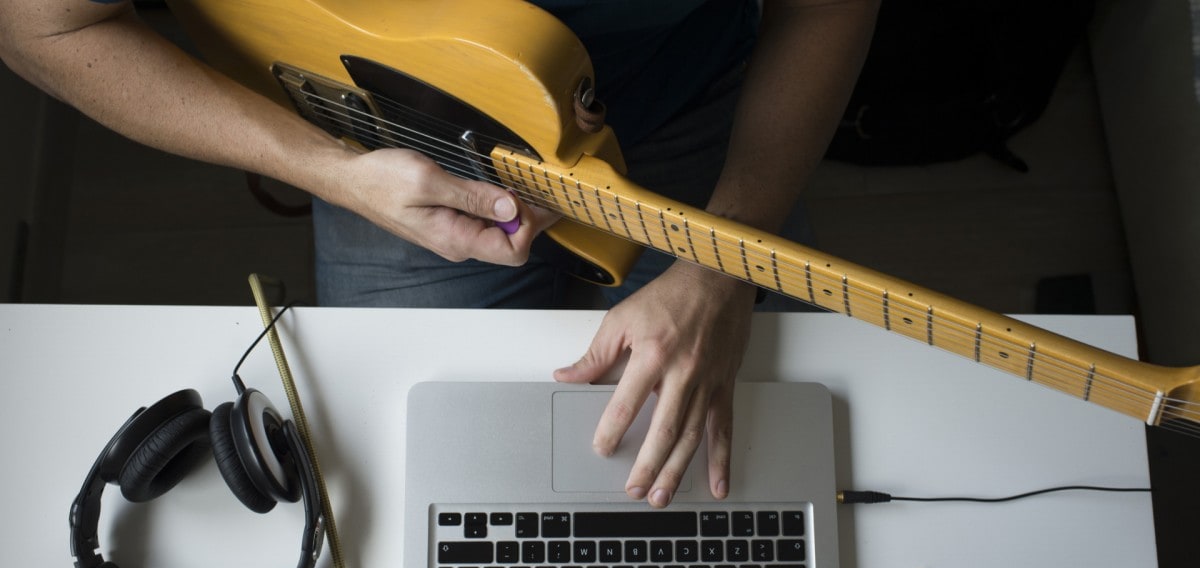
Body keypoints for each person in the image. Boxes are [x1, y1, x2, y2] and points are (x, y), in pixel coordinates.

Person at [0, 0, 879, 508]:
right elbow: (43, 26)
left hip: (693, 115)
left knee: (741, 477)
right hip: (386, 139)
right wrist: (331, 171)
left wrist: (722, 261)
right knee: (432, 491)